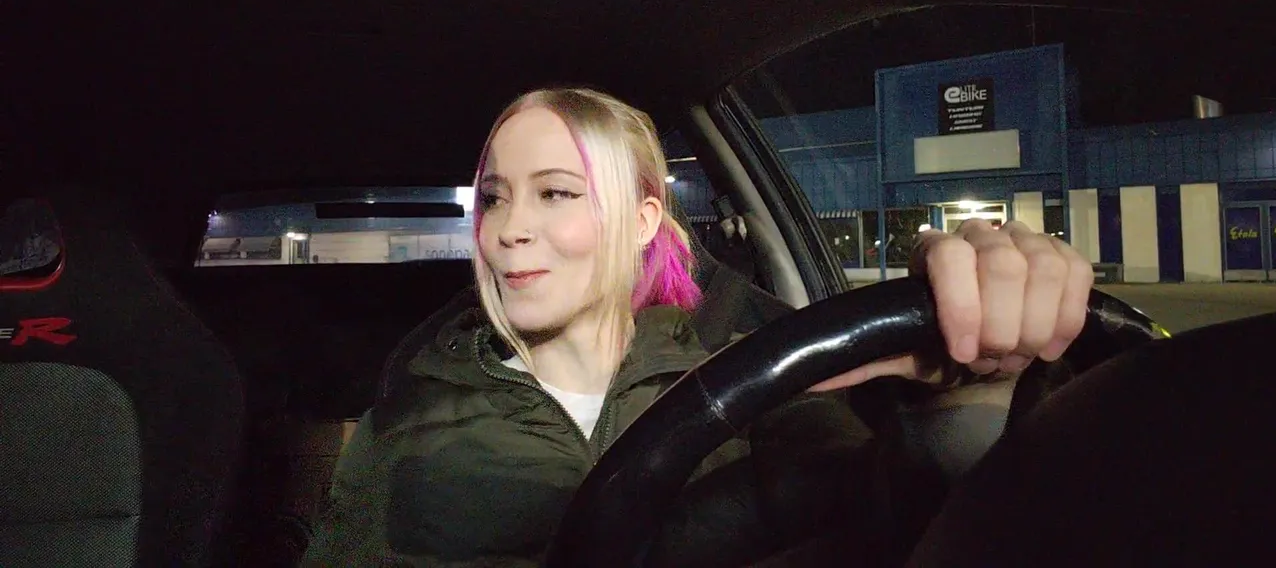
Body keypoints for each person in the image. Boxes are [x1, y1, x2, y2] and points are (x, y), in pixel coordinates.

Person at [303, 86, 1094, 567]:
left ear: (645, 217)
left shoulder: (756, 380)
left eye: (555, 193)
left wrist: (969, 387)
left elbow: (901, 523)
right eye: (495, 198)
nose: (508, 229)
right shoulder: (415, 409)